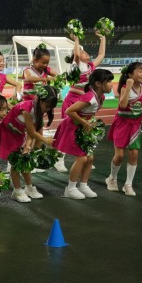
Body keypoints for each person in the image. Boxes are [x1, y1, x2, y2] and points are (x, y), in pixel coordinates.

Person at [53, 69, 114, 200]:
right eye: (109, 81)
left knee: (90, 158)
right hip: (73, 127)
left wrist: (89, 123)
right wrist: (84, 122)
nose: (111, 84)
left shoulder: (100, 97)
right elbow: (69, 111)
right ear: (98, 84)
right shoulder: (90, 97)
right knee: (82, 158)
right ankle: (70, 188)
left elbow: (88, 113)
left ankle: (83, 185)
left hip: (82, 128)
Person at [105, 62, 142, 196]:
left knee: (134, 154)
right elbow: (122, 105)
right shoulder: (124, 88)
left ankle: (128, 184)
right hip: (122, 124)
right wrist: (128, 87)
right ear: (130, 74)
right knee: (119, 156)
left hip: (135, 126)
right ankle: (112, 179)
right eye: (140, 70)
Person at [0, 86, 58, 202]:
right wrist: (45, 140)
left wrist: (28, 145)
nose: (47, 110)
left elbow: (31, 131)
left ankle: (29, 187)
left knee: (25, 160)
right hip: (8, 134)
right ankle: (17, 191)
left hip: (19, 134)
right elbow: (32, 132)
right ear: (40, 100)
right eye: (47, 106)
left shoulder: (38, 110)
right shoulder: (27, 110)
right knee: (15, 163)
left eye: (50, 107)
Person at [55, 33, 107, 172]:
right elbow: (77, 55)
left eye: (85, 52)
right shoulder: (76, 65)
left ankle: (85, 155)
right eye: (82, 52)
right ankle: (59, 160)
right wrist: (76, 40)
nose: (85, 53)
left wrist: (102, 38)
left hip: (84, 101)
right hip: (72, 101)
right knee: (67, 130)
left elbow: (101, 55)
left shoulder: (91, 66)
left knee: (85, 129)